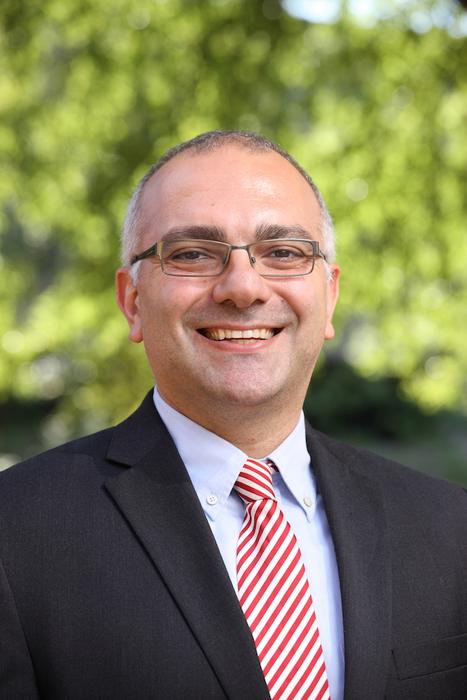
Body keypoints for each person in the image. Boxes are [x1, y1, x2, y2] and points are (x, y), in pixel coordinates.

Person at [0, 131, 466, 700]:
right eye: (193, 254)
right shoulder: (14, 535)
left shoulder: (451, 529)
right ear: (132, 301)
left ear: (330, 296)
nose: (243, 288)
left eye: (284, 253)